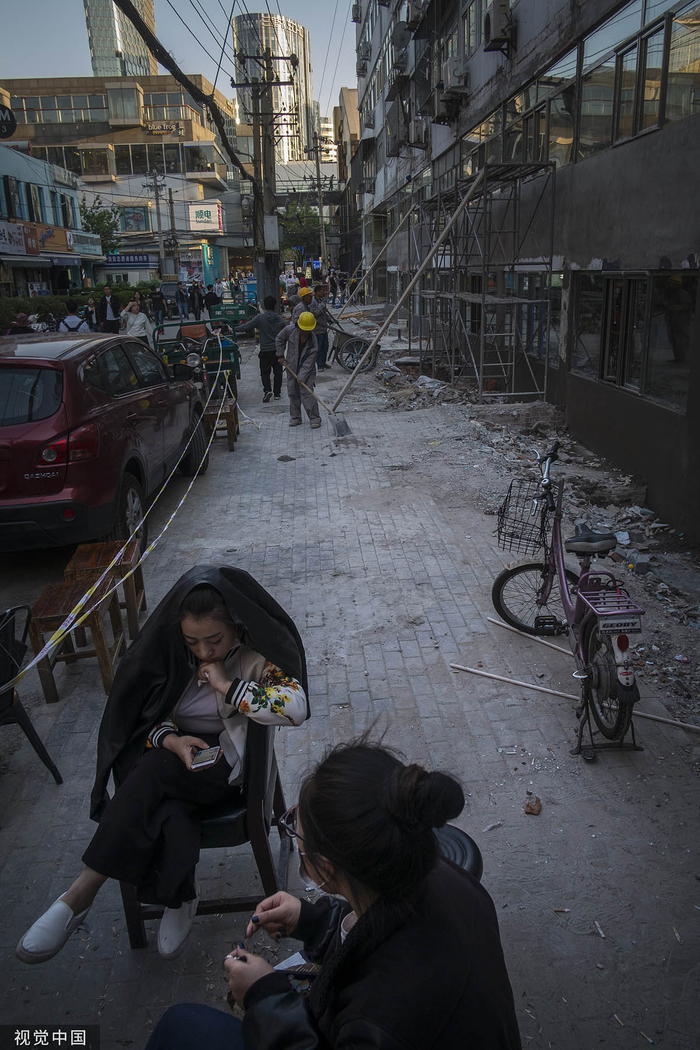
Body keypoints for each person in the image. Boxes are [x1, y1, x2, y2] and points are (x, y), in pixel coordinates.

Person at [145, 739, 523, 1050]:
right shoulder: (446, 877)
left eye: (298, 831)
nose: (296, 834)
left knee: (180, 1026)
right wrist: (314, 922)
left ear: (326, 868)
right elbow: (382, 931)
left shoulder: (376, 1017)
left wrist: (265, 997)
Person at [16, 567, 309, 965]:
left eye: (214, 640)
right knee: (168, 799)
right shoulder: (172, 654)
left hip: (226, 763)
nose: (204, 652)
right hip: (176, 756)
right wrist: (171, 739)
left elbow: (296, 707)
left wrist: (226, 685)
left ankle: (80, 892)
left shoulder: (254, 656)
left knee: (152, 774)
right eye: (193, 641)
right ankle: (180, 895)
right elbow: (143, 715)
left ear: (235, 627)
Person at [235, 296, 286, 402]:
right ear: (275, 305)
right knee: (278, 373)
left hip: (265, 351)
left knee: (265, 373)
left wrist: (233, 329)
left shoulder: (260, 318)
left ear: (264, 306)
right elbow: (285, 333)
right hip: (277, 351)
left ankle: (267, 390)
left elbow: (246, 327)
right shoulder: (280, 320)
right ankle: (277, 393)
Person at [276, 311, 321, 429]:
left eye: (308, 330)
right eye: (304, 329)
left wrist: (302, 376)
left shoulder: (313, 341)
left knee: (307, 393)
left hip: (308, 371)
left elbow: (309, 362)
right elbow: (279, 339)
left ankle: (315, 418)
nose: (306, 332)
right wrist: (280, 355)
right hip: (291, 366)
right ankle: (296, 417)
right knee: (293, 392)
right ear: (299, 326)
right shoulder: (289, 330)